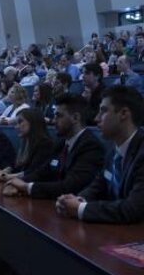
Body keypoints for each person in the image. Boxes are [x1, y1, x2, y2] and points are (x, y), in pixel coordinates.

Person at [56, 86, 144, 223]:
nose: (96, 118)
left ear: (124, 113)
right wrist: (78, 199)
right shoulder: (113, 150)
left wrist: (80, 208)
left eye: (103, 111)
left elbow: (133, 208)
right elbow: (99, 185)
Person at [3, 94, 104, 199]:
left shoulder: (90, 146)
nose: (54, 120)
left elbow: (70, 186)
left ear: (75, 117)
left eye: (59, 116)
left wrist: (27, 187)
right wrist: (14, 182)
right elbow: (43, 172)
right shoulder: (61, 143)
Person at [0, 109, 53, 182]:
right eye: (16, 123)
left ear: (33, 122)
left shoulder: (45, 144)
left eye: (20, 122)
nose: (16, 127)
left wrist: (3, 176)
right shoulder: (25, 142)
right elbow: (17, 167)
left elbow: (32, 173)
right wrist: (1, 172)